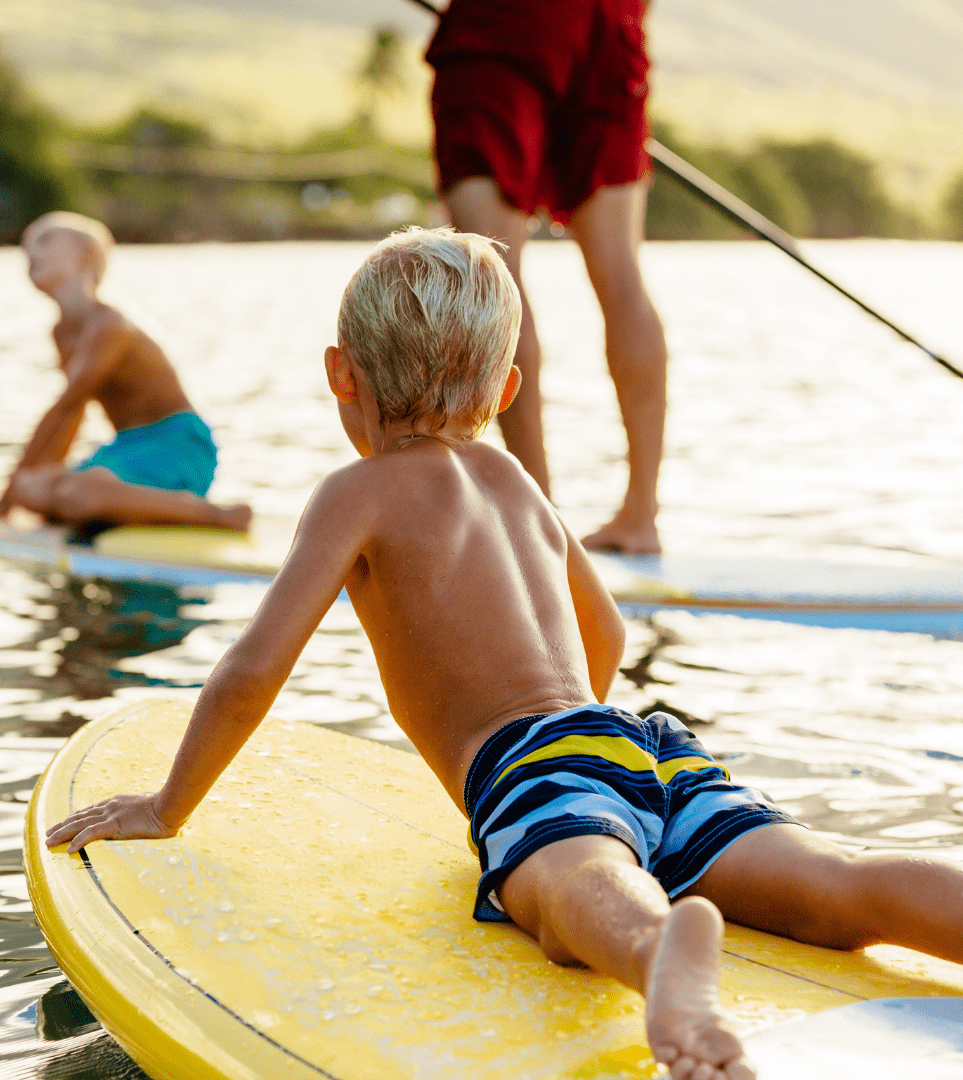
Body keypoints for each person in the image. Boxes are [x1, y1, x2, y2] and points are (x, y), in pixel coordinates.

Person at [47, 230, 963, 1080]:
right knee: (835, 887)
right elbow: (602, 629)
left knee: (579, 890)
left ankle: (658, 955)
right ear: (507, 392)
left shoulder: (355, 494)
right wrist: (592, 759)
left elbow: (253, 671)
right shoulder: (514, 479)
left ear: (341, 376)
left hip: (535, 766)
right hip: (641, 742)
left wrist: (169, 806)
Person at [426, 0, 667, 553]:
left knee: (494, 275)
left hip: (505, 26)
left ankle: (537, 520)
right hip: (611, 19)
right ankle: (640, 516)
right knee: (622, 273)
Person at [0, 212, 252, 533]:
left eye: (44, 240)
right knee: (31, 489)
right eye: (24, 247)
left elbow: (64, 405)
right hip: (127, 447)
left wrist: (3, 505)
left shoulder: (110, 325)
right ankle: (109, 501)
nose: (29, 253)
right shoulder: (62, 333)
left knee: (73, 495)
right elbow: (72, 415)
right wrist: (38, 481)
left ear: (87, 253)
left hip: (178, 443)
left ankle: (220, 516)